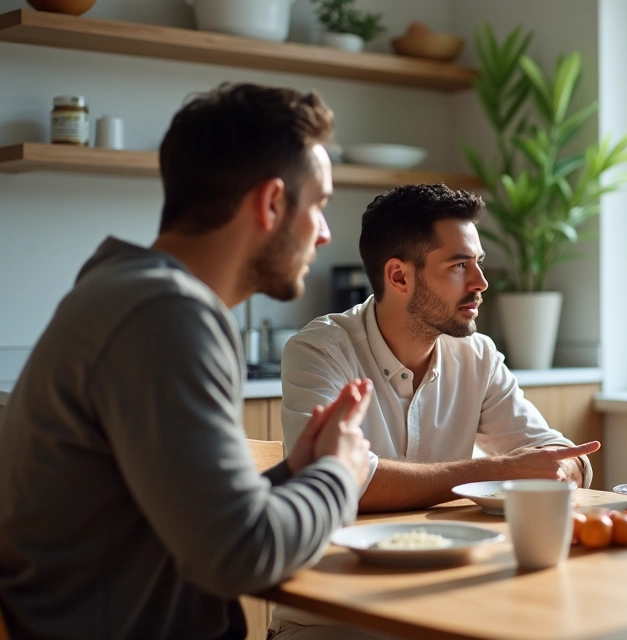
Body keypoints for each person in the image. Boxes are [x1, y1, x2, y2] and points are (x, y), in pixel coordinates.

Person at [0, 82, 373, 639]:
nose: (324, 234)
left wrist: (297, 472)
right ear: (270, 203)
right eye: (318, 204)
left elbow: (183, 521)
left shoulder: (124, 289)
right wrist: (339, 473)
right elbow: (239, 554)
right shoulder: (167, 315)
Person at [270, 183, 598, 637]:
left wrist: (563, 468)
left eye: (478, 263)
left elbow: (551, 448)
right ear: (399, 277)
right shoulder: (319, 351)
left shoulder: (477, 355)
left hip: (445, 602)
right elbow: (343, 480)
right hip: (334, 616)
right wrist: (502, 469)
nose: (481, 282)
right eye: (460, 265)